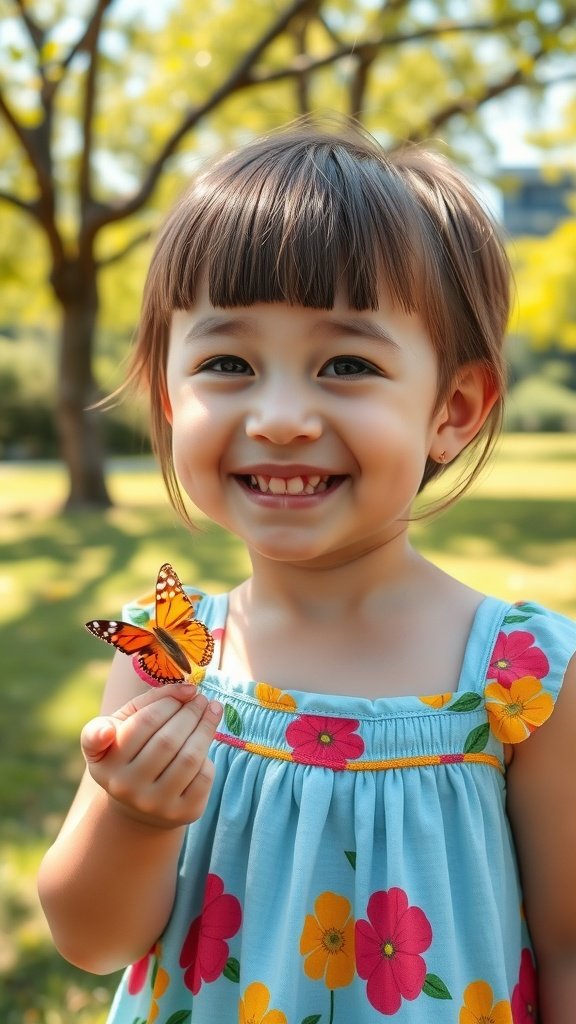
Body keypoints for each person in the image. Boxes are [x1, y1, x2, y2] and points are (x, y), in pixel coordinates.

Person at [38, 120, 576, 1023]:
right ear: (174, 401)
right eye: (227, 364)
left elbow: (567, 944)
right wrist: (132, 817)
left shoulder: (522, 675)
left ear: (452, 409)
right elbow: (93, 942)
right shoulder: (170, 660)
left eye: (347, 363)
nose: (280, 416)